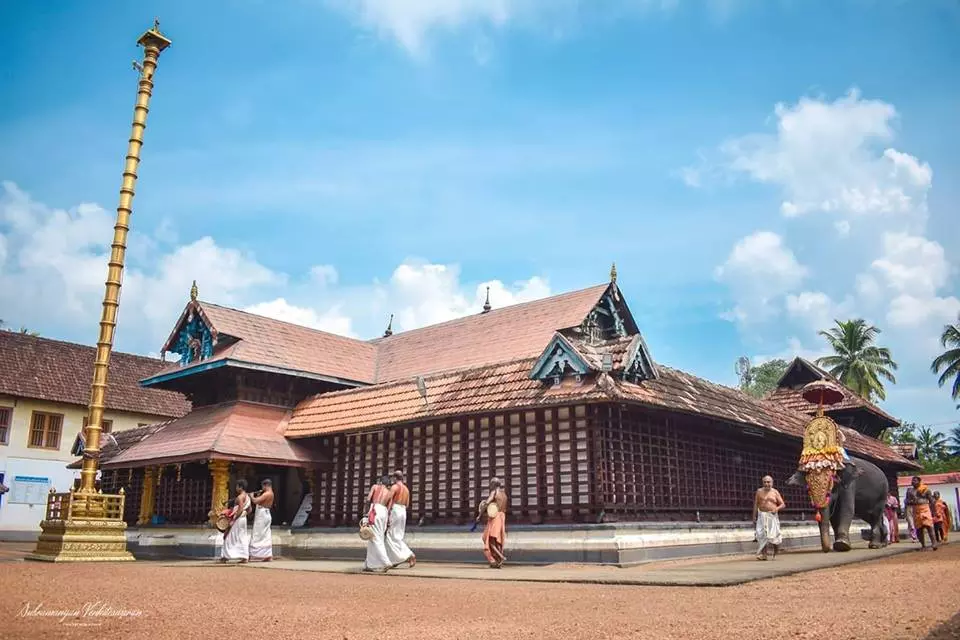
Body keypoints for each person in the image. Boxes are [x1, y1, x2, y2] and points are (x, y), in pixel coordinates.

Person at [384, 469, 416, 568]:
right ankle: (395, 559)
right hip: (403, 511)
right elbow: (407, 504)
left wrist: (387, 512)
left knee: (391, 535)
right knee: (398, 535)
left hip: (396, 509)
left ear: (395, 478)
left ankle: (409, 555)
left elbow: (388, 499)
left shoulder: (395, 487)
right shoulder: (406, 489)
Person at [362, 475, 393, 572]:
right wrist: (388, 522)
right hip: (384, 512)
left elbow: (368, 500)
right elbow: (389, 508)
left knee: (374, 538)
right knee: (377, 537)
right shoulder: (389, 493)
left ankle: (386, 562)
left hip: (375, 509)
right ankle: (369, 564)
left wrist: (365, 515)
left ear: (380, 482)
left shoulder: (375, 487)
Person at [752, 475, 785, 561]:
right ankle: (764, 555)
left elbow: (783, 504)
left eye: (768, 482)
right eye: (765, 482)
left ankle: (775, 553)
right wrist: (754, 516)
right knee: (761, 535)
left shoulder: (775, 492)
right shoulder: (759, 491)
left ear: (772, 483)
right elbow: (756, 504)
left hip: (772, 515)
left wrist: (776, 509)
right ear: (762, 483)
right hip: (761, 515)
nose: (767, 484)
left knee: (774, 535)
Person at [220, 479, 251, 563]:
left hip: (238, 519)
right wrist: (244, 514)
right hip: (243, 519)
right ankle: (245, 557)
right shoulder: (247, 497)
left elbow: (240, 509)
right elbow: (249, 510)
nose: (236, 488)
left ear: (240, 487)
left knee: (229, 536)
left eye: (237, 486)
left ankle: (226, 556)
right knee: (242, 537)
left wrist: (234, 519)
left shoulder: (240, 497)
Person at [480, 477, 508, 568]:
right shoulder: (504, 494)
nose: (490, 486)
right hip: (502, 516)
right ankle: (496, 562)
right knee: (497, 540)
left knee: (489, 539)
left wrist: (479, 515)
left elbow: (487, 503)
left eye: (491, 484)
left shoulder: (494, 492)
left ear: (494, 485)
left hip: (495, 516)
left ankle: (500, 557)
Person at [906, 476, 938, 551]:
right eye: (912, 480)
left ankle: (934, 543)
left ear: (919, 481)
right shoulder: (910, 491)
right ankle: (923, 545)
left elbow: (932, 501)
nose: (913, 482)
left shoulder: (926, 490)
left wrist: (934, 511)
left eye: (915, 480)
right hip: (915, 509)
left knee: (929, 526)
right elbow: (907, 501)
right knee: (919, 529)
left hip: (925, 509)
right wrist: (911, 502)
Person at [249, 478, 274, 561]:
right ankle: (267, 554)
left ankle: (255, 554)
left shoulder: (267, 494)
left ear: (266, 485)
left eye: (263, 486)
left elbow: (255, 501)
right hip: (266, 514)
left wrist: (252, 496)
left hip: (262, 515)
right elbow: (261, 501)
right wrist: (259, 494)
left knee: (258, 534)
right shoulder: (270, 493)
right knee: (266, 534)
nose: (262, 488)